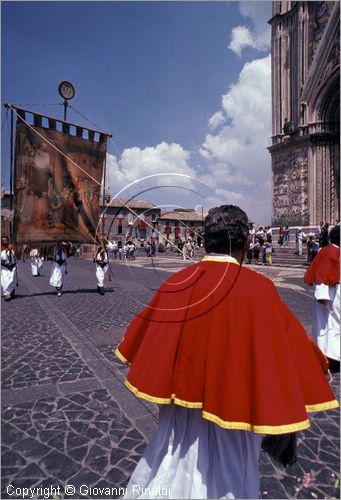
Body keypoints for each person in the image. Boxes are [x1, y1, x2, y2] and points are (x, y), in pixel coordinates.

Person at [115, 205, 338, 500]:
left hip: (177, 427)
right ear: (246, 244)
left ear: (205, 242)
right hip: (233, 428)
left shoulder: (175, 283)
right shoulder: (259, 290)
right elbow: (295, 351)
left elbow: (140, 340)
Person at [304, 225, 340, 369]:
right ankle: (329, 356)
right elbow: (321, 274)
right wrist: (322, 295)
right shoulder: (330, 251)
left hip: (334, 291)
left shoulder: (333, 250)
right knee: (328, 325)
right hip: (329, 294)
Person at [1, 236, 18, 302]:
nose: (4, 241)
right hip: (5, 267)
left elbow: (16, 256)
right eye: (3, 240)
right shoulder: (1, 248)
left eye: (6, 240)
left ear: (8, 241)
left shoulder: (12, 247)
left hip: (12, 266)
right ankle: (7, 294)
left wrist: (12, 250)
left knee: (12, 280)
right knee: (5, 281)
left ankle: (11, 292)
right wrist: (7, 249)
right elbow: (1, 257)